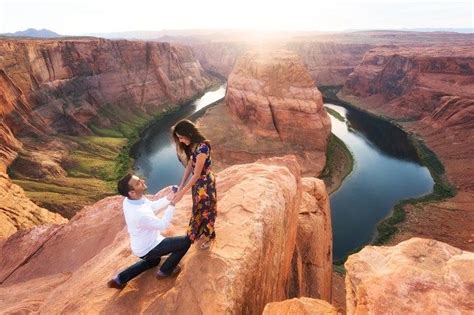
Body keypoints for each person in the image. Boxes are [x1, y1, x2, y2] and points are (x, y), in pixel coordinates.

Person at [107, 174, 191, 290]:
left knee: (153, 262)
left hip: (140, 247)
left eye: (139, 179)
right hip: (150, 247)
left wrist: (169, 197)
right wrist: (173, 204)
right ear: (132, 192)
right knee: (186, 242)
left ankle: (119, 279)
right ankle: (165, 271)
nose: (142, 181)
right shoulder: (139, 214)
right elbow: (163, 225)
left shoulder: (130, 200)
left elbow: (151, 207)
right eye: (137, 183)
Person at [171, 119, 217, 250]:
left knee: (207, 210)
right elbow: (190, 166)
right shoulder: (192, 146)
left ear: (189, 133)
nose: (180, 141)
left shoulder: (202, 148)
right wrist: (181, 186)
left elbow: (197, 174)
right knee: (198, 208)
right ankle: (199, 232)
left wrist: (182, 193)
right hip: (198, 184)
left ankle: (209, 236)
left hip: (205, 184)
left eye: (181, 137)